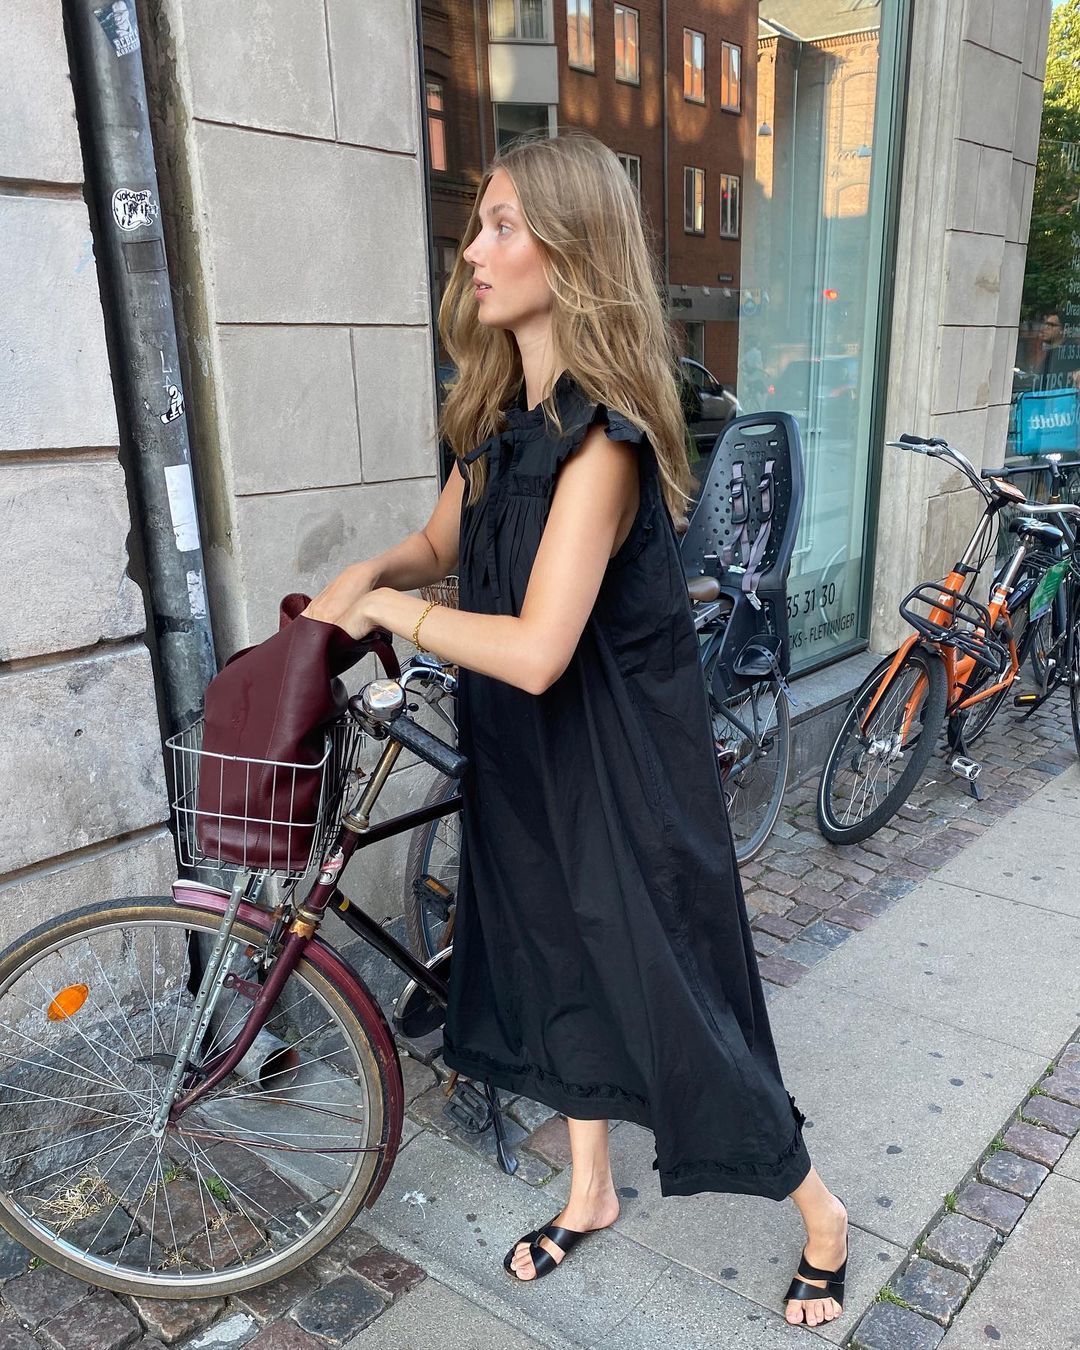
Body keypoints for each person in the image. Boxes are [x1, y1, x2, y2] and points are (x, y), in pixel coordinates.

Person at [302, 129, 848, 1330]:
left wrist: (392, 614)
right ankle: (589, 1188)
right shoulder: (501, 421)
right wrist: (372, 571)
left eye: (502, 225)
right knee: (554, 969)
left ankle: (820, 1211)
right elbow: (441, 542)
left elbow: (542, 646)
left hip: (617, 770)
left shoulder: (603, 441)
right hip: (527, 758)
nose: (474, 248)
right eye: (478, 224)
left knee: (670, 1000)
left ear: (569, 248)